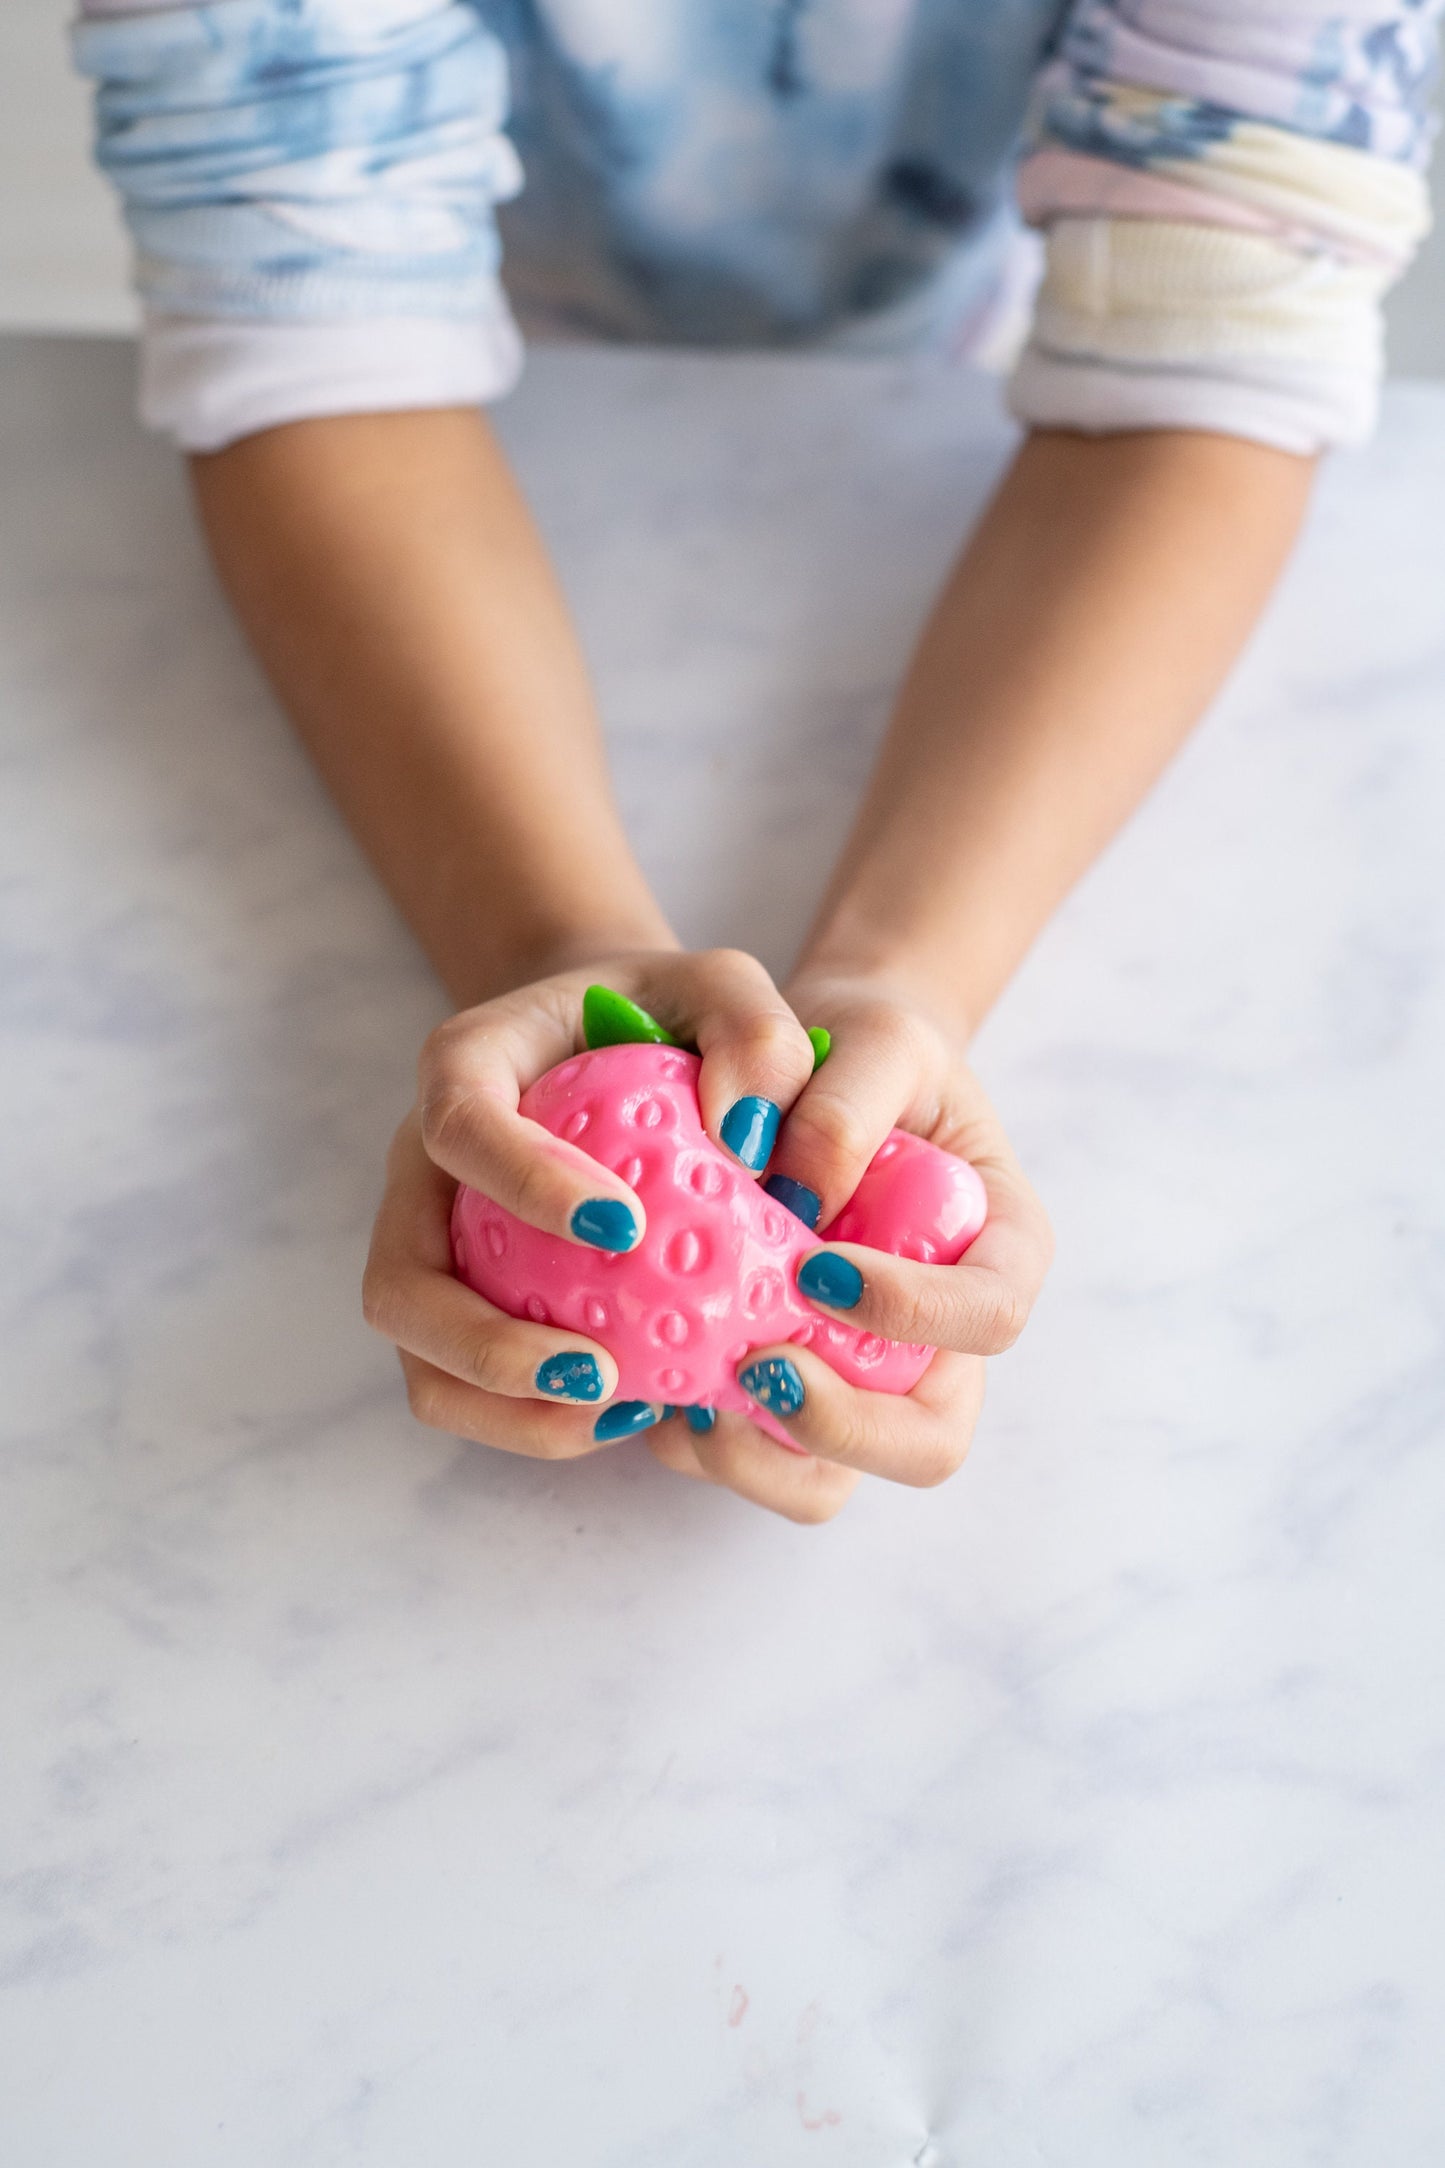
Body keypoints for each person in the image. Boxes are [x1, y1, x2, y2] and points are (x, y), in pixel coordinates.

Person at [74, 0, 1440, 1521]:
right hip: (470, 392)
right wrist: (554, 952)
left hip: (953, 359)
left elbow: (1209, 338)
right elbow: (309, 323)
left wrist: (905, 982)